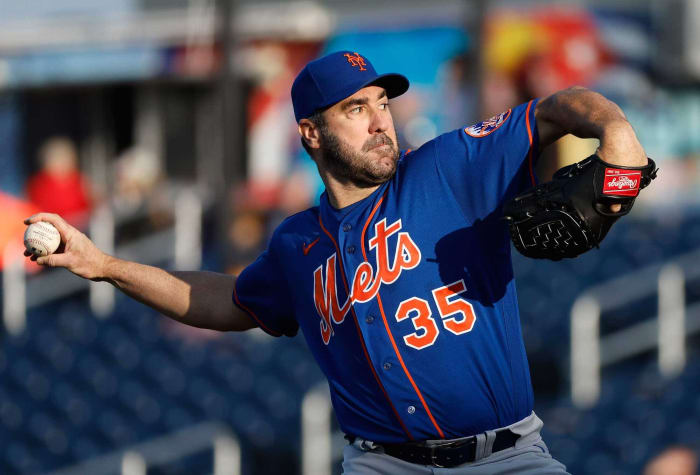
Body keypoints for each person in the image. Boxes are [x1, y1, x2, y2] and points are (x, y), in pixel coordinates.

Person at [24, 51, 648, 474]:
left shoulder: (450, 168)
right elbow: (226, 301)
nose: (382, 121)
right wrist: (104, 264)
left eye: (382, 102)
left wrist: (615, 128)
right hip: (381, 464)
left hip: (508, 459)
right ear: (311, 134)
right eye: (356, 109)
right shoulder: (297, 245)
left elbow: (555, 108)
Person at [26, 137, 92, 229]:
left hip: (77, 227)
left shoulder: (80, 182)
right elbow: (31, 209)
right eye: (55, 159)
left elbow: (91, 208)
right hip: (48, 228)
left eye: (64, 159)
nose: (60, 165)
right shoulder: (39, 184)